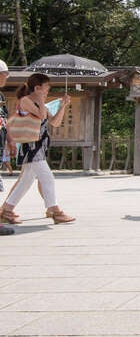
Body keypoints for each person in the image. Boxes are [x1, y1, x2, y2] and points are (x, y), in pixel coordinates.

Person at [0, 73, 74, 225]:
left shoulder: (40, 103)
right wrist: (40, 100)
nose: (48, 90)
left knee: (26, 181)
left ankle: (6, 210)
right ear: (37, 87)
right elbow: (41, 115)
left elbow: (54, 122)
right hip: (30, 146)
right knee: (47, 178)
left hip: (39, 145)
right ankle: (55, 210)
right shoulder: (26, 101)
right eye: (46, 87)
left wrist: (62, 106)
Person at [0, 61, 12, 235]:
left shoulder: (1, 96)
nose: (7, 77)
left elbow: (5, 119)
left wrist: (10, 140)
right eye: (5, 73)